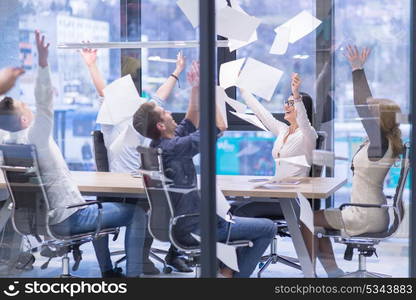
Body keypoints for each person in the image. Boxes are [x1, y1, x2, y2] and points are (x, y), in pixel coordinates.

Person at [0, 30, 147, 278]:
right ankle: (132, 279)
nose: (31, 106)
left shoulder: (8, 143)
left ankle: (109, 272)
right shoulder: (37, 138)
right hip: (66, 218)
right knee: (138, 214)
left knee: (98, 208)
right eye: (25, 106)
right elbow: (45, 102)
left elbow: (9, 115)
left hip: (39, 220)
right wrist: (43, 64)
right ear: (25, 119)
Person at [133, 61, 276, 278]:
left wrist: (196, 87)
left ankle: (226, 270)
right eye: (165, 112)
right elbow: (220, 126)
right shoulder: (175, 148)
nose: (170, 112)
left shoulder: (162, 145)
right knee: (268, 227)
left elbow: (191, 119)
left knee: (236, 213)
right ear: (161, 126)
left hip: (185, 223)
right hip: (196, 227)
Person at [80, 47, 192, 274]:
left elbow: (160, 96)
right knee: (166, 203)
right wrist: (91, 65)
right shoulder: (113, 120)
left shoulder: (141, 118)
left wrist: (177, 71)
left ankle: (137, 262)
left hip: (139, 185)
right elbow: (103, 91)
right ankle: (140, 261)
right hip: (123, 188)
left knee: (173, 200)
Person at [303, 45, 404, 277]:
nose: (368, 112)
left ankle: (310, 276)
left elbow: (361, 104)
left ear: (380, 118)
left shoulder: (380, 143)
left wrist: (357, 69)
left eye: (373, 111)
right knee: (315, 223)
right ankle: (333, 272)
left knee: (306, 219)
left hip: (364, 215)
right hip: (370, 211)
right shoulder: (379, 143)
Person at [232, 73, 318, 218]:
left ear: (302, 107)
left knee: (242, 211)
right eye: (287, 102)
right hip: (275, 192)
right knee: (234, 206)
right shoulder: (283, 130)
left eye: (291, 104)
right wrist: (242, 89)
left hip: (293, 199)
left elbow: (304, 121)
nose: (286, 105)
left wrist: (296, 95)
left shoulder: (308, 135)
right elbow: (262, 113)